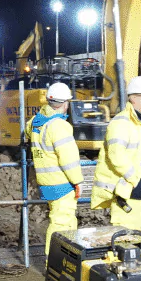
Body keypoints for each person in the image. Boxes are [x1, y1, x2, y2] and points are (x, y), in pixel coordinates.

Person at [90, 76, 141, 235]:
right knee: (127, 240)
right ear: (133, 98)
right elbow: (117, 156)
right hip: (129, 191)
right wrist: (135, 180)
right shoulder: (121, 123)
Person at [26, 82, 83, 259]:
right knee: (62, 223)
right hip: (61, 183)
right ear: (65, 103)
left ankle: (60, 261)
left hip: (46, 181)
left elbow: (27, 131)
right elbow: (69, 158)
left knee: (59, 219)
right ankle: (55, 263)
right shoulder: (58, 126)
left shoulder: (37, 122)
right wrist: (77, 181)